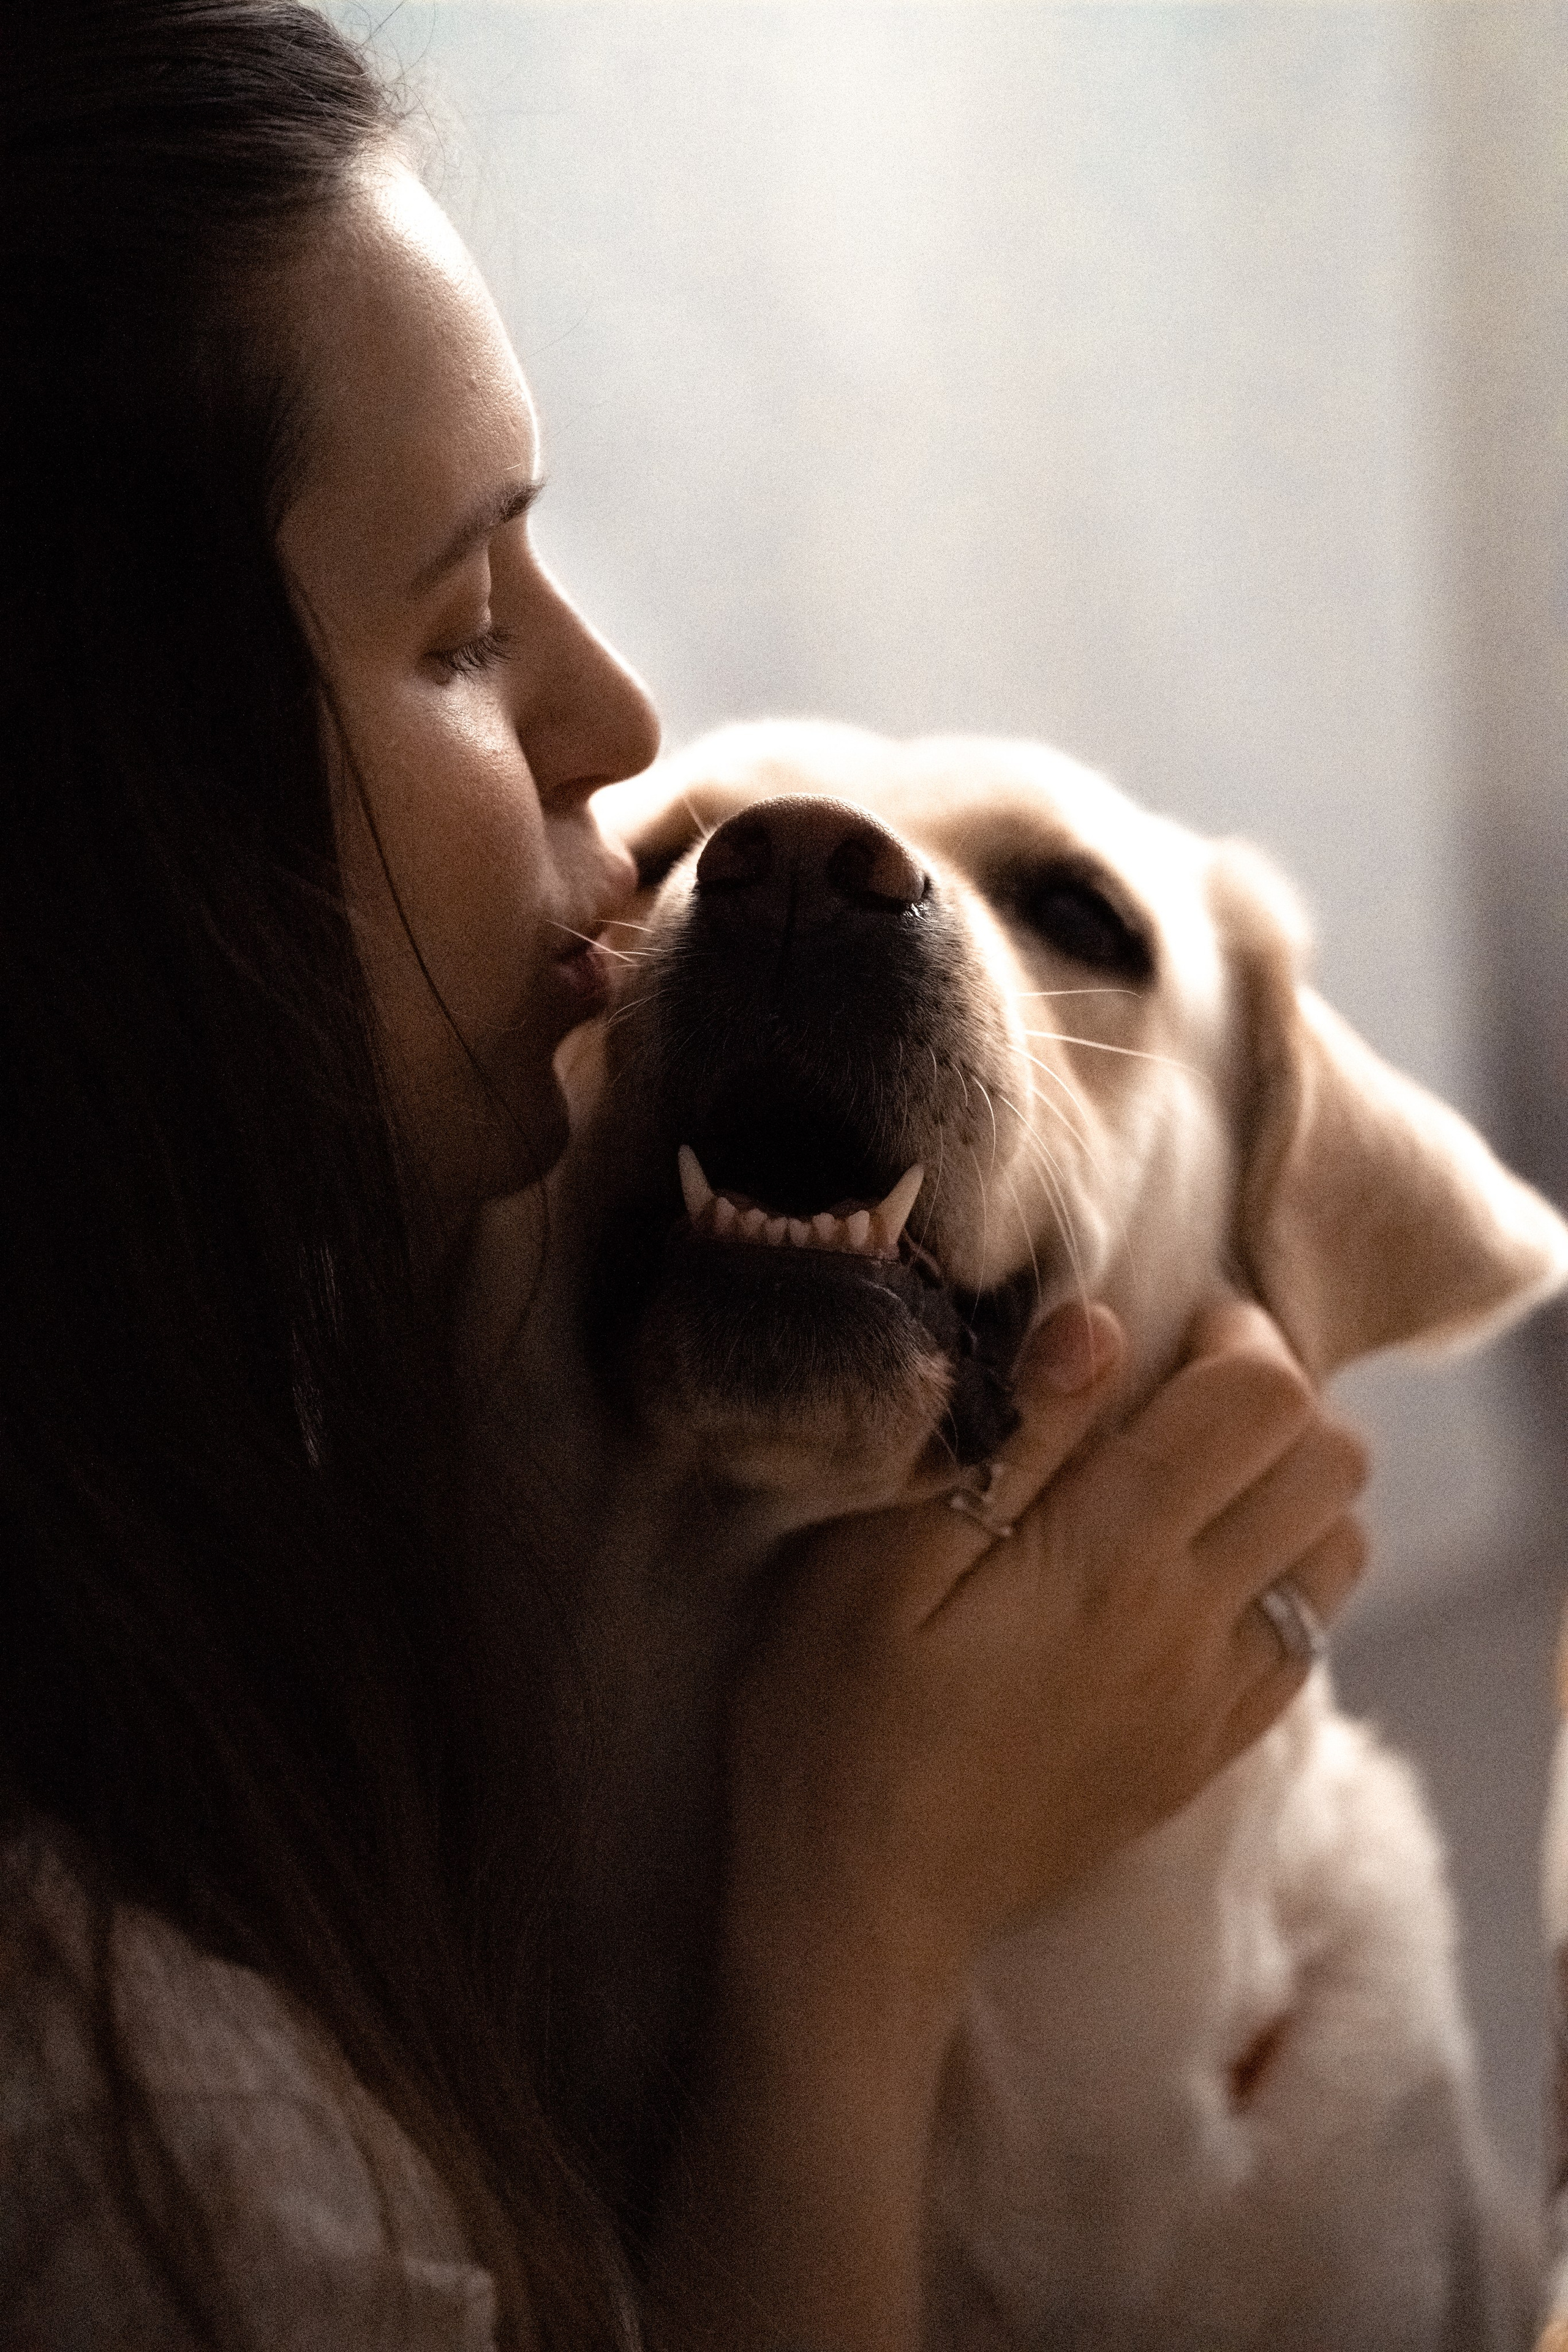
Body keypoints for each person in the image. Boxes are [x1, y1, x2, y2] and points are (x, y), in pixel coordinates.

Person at [0, 5, 1368, 2345]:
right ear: (105, 830)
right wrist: (857, 1915)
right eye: (456, 632)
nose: (638, 751)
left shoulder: (225, 1544)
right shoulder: (145, 2140)